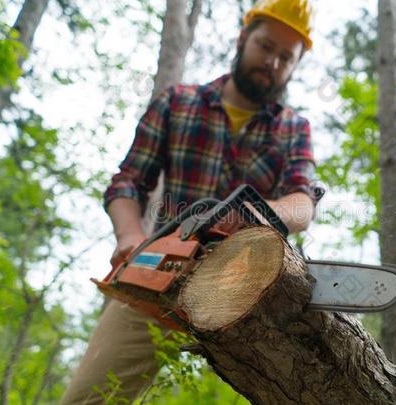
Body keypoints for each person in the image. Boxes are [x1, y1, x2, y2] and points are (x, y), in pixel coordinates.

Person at [61, 0, 320, 403]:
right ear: (243, 38)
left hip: (250, 285)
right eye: (266, 47)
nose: (272, 63)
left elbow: (303, 202)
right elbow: (128, 182)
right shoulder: (178, 102)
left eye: (286, 58)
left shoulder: (292, 128)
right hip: (163, 269)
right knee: (91, 398)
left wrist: (262, 214)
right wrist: (129, 235)